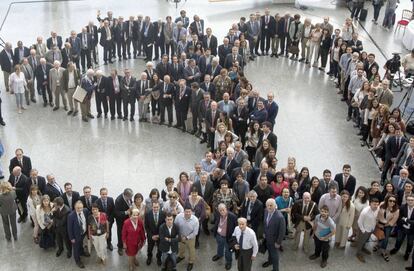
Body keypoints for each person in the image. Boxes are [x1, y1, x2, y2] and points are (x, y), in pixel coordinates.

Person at [212, 203, 237, 270]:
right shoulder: (217, 214)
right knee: (219, 246)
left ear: (226, 209)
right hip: (219, 235)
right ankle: (219, 255)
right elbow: (216, 223)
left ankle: (229, 262)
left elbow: (236, 227)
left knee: (228, 251)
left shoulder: (232, 216)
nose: (222, 211)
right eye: (220, 210)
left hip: (228, 237)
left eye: (223, 210)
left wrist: (234, 238)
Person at [356, 198, 380, 263]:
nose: (376, 206)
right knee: (361, 241)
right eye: (374, 204)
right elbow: (359, 222)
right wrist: (363, 231)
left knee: (366, 240)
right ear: (370, 204)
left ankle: (363, 248)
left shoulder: (378, 209)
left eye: (377, 204)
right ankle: (358, 253)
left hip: (371, 229)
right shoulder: (365, 212)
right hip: (364, 230)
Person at [175, 205, 199, 271]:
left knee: (191, 249)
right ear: (183, 211)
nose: (187, 213)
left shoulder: (195, 220)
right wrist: (179, 235)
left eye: (189, 212)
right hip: (181, 236)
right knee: (181, 247)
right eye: (186, 211)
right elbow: (175, 226)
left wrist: (187, 237)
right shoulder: (178, 217)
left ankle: (191, 262)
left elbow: (195, 232)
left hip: (190, 237)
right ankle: (181, 256)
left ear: (192, 212)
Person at [390, 194, 414, 260]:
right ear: (406, 200)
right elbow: (399, 218)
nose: (410, 201)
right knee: (398, 240)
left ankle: (407, 254)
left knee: (410, 243)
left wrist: (406, 219)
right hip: (402, 227)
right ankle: (396, 249)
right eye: (408, 200)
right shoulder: (402, 207)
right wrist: (404, 221)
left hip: (412, 230)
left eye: (412, 200)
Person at [67, 201, 90, 269]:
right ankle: (78, 261)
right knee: (76, 248)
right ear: (75, 207)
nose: (80, 209)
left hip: (83, 233)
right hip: (76, 235)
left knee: (81, 244)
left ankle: (82, 252)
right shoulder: (71, 216)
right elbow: (69, 228)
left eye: (81, 208)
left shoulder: (85, 211)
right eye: (78, 208)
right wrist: (72, 238)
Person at [377, 194, 399, 261]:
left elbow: (393, 221)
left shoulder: (396, 210)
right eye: (390, 200)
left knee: (386, 238)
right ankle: (378, 245)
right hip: (379, 223)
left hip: (388, 225)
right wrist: (378, 223)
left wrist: (384, 226)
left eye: (394, 201)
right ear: (387, 200)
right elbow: (377, 214)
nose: (392, 202)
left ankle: (383, 251)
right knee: (379, 235)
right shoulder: (382, 204)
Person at [145, 201, 165, 266]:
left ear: (159, 207)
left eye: (157, 207)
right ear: (152, 207)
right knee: (150, 248)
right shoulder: (148, 214)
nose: (155, 209)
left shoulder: (163, 214)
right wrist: (151, 236)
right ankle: (149, 257)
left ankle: (158, 258)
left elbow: (164, 226)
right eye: (154, 207)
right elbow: (146, 226)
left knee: (160, 248)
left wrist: (159, 235)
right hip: (151, 235)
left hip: (160, 235)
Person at [115, 188, 133, 256]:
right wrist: (126, 212)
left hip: (127, 219)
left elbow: (130, 204)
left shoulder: (129, 197)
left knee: (127, 233)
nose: (131, 198)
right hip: (120, 220)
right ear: (125, 195)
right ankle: (120, 247)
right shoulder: (118, 200)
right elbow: (116, 213)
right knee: (120, 234)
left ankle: (126, 245)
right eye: (130, 197)